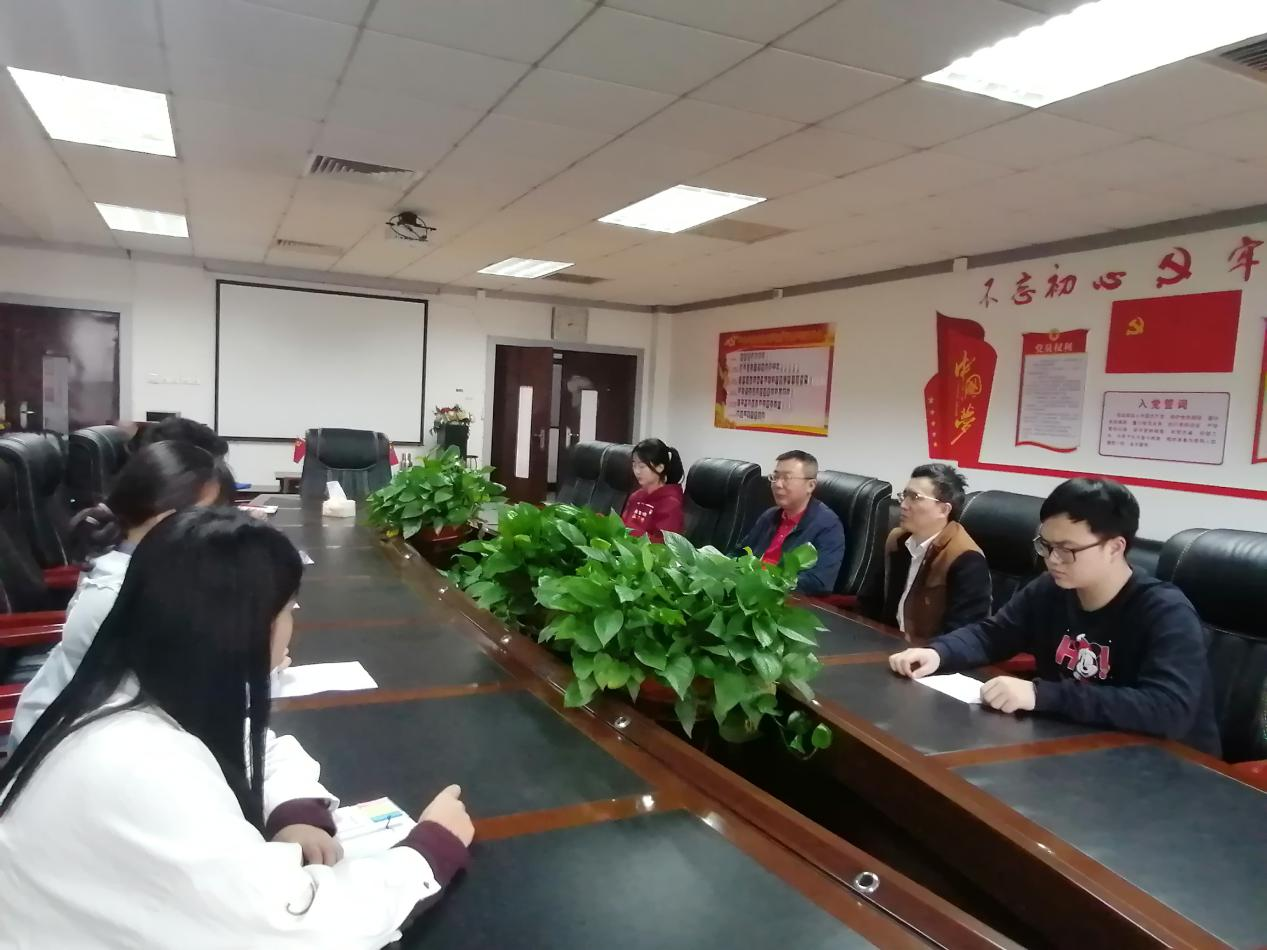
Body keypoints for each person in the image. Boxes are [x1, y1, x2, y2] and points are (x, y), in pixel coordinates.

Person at [0, 508, 473, 947]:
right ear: (242, 627)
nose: (291, 627)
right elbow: (295, 928)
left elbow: (243, 744)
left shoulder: (138, 690)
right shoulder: (140, 764)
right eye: (288, 610)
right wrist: (429, 851)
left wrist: (293, 811)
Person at [888, 478, 1220, 755]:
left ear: (1115, 547)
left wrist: (1041, 695)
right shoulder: (1051, 590)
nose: (1053, 560)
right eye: (1046, 546)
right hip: (1077, 747)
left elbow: (1168, 708)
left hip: (1168, 764)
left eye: (1067, 549)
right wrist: (939, 652)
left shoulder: (1164, 611)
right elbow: (993, 635)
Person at [10, 441, 223, 748]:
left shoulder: (126, 554)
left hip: (98, 723)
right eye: (209, 516)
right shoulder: (120, 593)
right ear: (165, 518)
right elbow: (183, 689)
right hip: (63, 746)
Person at [883, 463, 991, 639]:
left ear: (943, 509)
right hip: (888, 642)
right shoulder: (897, 540)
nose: (903, 504)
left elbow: (963, 634)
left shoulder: (966, 558)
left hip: (932, 651)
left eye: (915, 497)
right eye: (904, 495)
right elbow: (870, 602)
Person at [733, 450, 845, 596]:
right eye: (775, 477)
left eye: (787, 478)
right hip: (747, 591)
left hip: (781, 600)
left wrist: (770, 583)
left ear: (811, 485)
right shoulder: (770, 515)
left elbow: (819, 582)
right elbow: (740, 552)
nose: (778, 484)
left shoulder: (828, 526)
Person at [621, 438, 684, 543]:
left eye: (642, 466)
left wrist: (629, 532)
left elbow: (662, 544)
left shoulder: (671, 504)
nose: (637, 471)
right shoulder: (636, 497)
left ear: (660, 467)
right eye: (634, 465)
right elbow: (622, 526)